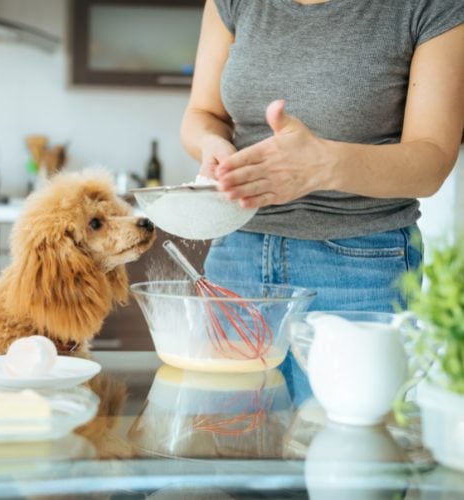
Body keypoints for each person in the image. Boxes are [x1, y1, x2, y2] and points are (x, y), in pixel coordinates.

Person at [180, 0, 464, 400]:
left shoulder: (430, 7)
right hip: (237, 254)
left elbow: (432, 161)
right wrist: (212, 144)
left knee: (350, 445)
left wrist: (324, 165)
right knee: (234, 451)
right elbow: (202, 113)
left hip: (362, 265)